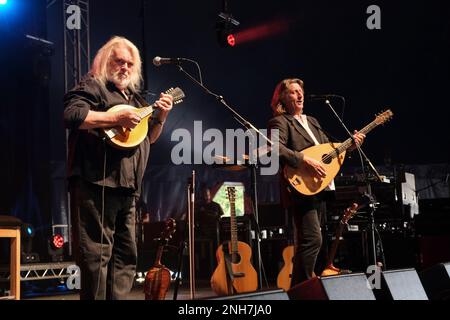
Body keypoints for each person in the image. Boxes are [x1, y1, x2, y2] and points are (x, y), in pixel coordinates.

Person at [64, 36, 173, 300]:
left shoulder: (136, 99)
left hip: (128, 188)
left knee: (126, 257)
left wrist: (161, 116)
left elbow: (148, 137)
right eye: (119, 61)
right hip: (96, 183)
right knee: (95, 258)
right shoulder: (94, 85)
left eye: (129, 63)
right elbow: (72, 115)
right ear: (105, 61)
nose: (124, 67)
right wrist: (115, 117)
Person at [268, 78, 365, 287]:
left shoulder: (312, 121)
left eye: (300, 91)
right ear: (282, 98)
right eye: (293, 92)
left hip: (318, 186)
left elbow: (328, 152)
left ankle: (304, 287)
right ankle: (302, 289)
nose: (299, 95)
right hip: (299, 187)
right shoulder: (280, 122)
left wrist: (349, 147)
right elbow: (275, 148)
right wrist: (304, 159)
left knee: (314, 239)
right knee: (312, 239)